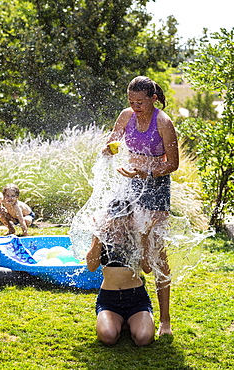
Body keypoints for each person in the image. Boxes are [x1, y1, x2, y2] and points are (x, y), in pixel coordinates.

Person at [101, 76, 179, 336]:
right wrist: (109, 150)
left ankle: (165, 320)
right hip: (130, 185)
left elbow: (173, 164)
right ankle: (130, 306)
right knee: (127, 241)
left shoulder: (163, 122)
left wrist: (145, 173)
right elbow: (112, 142)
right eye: (131, 101)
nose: (135, 107)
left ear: (154, 98)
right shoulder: (126, 116)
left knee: (156, 253)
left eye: (140, 102)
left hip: (156, 189)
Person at [86, 199, 156, 346]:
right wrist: (97, 234)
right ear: (109, 217)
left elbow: (147, 269)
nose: (120, 222)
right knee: (108, 337)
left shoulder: (137, 236)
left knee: (144, 339)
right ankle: (122, 322)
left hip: (136, 299)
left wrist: (144, 239)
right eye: (116, 218)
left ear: (131, 218)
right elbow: (91, 267)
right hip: (109, 300)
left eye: (124, 218)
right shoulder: (103, 236)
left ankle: (128, 321)